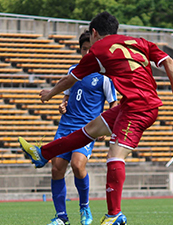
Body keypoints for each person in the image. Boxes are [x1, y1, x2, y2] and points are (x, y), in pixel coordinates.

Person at [19, 11, 173, 225]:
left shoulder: (99, 49)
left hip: (139, 108)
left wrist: (50, 94)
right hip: (132, 104)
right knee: (88, 130)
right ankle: (42, 153)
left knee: (114, 156)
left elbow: (70, 79)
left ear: (94, 33)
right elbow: (169, 63)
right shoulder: (139, 42)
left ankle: (114, 214)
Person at [47, 30, 117, 225]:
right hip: (65, 126)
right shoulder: (73, 71)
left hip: (87, 129)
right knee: (56, 169)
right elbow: (66, 96)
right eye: (83, 49)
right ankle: (61, 217)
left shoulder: (104, 76)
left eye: (90, 49)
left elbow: (113, 104)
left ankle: (84, 206)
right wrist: (62, 104)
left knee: (78, 165)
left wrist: (106, 125)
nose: (87, 53)